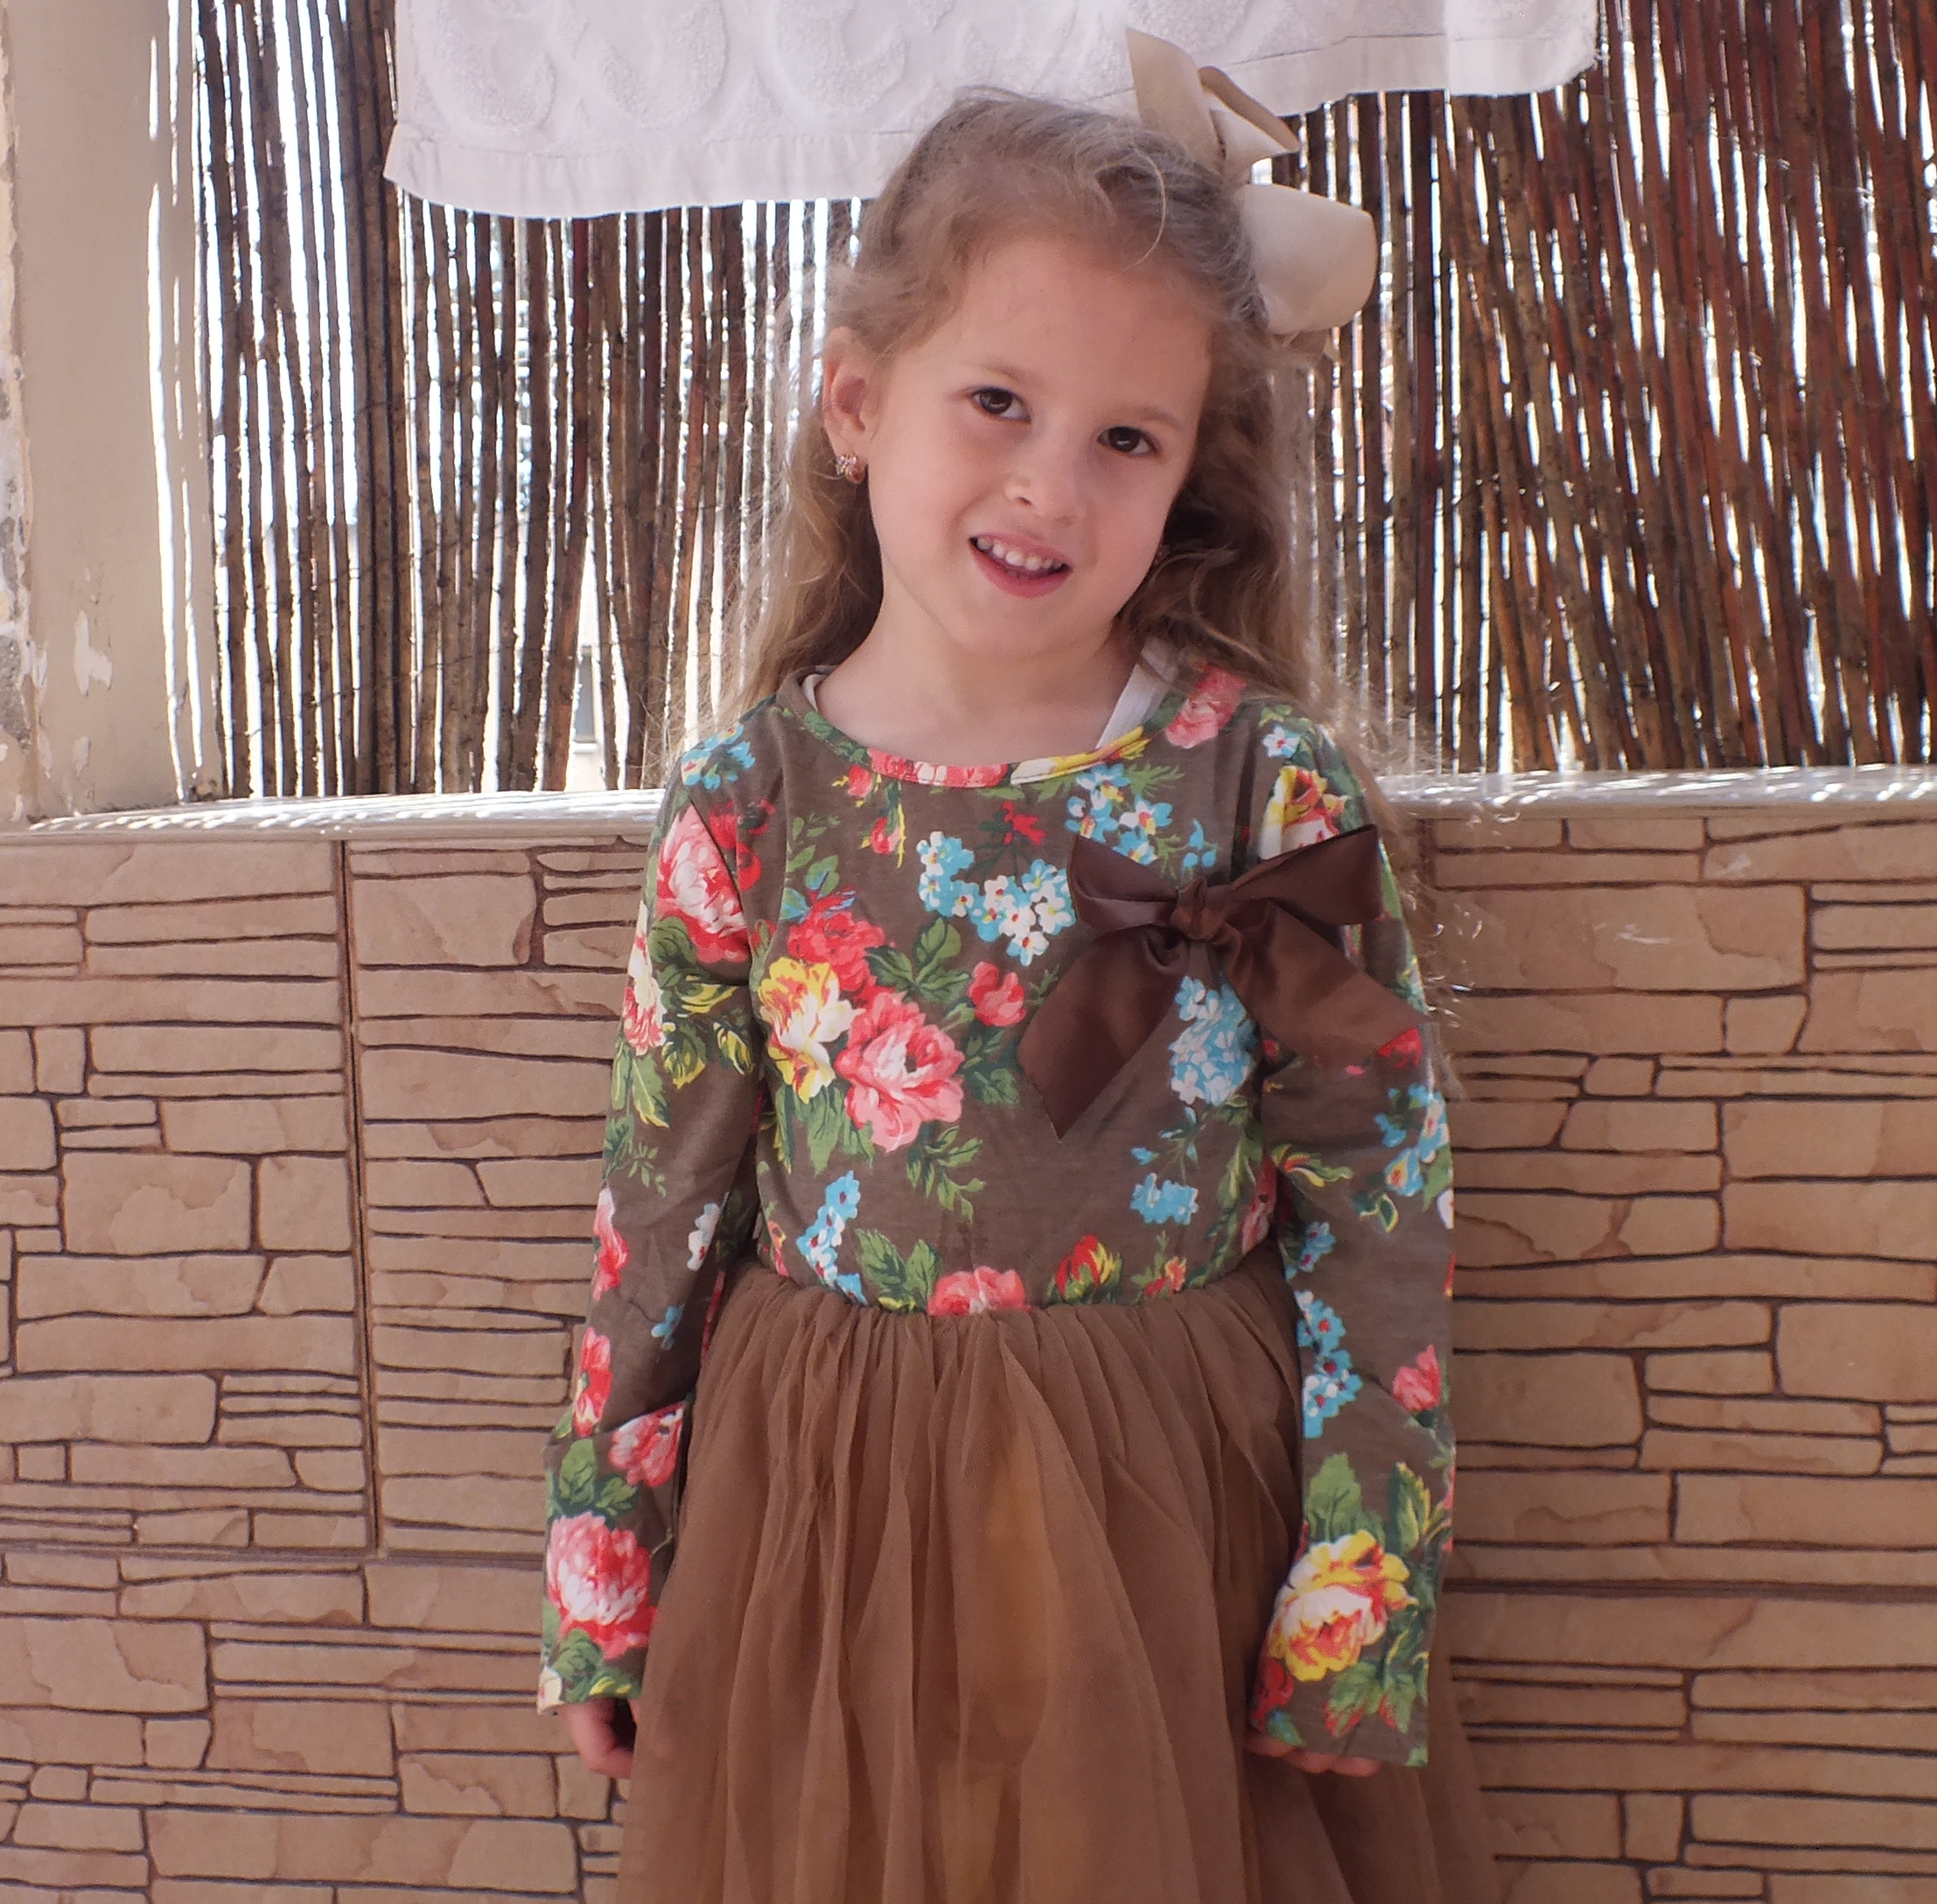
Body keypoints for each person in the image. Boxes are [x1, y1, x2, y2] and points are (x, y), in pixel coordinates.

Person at [538, 46, 1498, 1904]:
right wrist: (606, 1564)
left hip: (1174, 1508)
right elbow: (661, 1204)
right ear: (857, 402)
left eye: (1129, 438)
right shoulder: (751, 800)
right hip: (829, 1516)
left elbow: (1380, 1188)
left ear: (1189, 476)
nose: (1050, 483)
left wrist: (1363, 1571)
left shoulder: (1258, 784)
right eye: (997, 400)